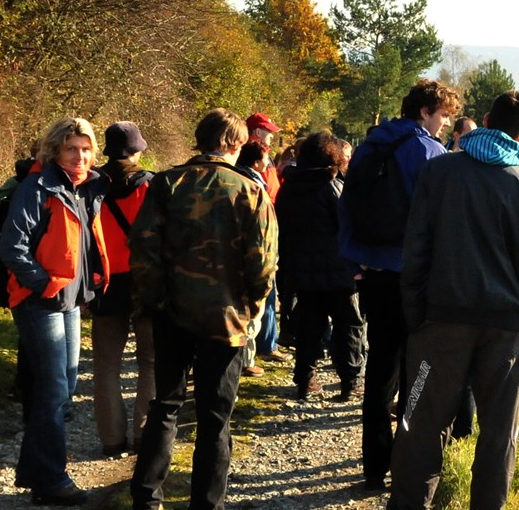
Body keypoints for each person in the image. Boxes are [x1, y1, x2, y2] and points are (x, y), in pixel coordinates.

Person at [390, 91, 519, 510]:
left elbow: (416, 250)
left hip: (439, 321)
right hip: (505, 331)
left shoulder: (439, 172)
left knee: (421, 426)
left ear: (484, 120)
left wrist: (413, 314)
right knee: (499, 434)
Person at [129, 109, 278, 510]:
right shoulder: (250, 191)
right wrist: (254, 307)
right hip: (226, 317)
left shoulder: (166, 183)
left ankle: (146, 497)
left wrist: (155, 300)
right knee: (215, 417)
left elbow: (142, 248)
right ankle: (208, 504)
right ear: (236, 143)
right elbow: (263, 262)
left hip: (171, 312)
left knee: (166, 406)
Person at [339, 78, 461, 490]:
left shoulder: (371, 145)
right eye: (443, 115)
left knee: (379, 371)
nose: (446, 123)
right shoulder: (429, 152)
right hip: (414, 277)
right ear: (425, 111)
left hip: (373, 272)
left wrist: (352, 258)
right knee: (417, 375)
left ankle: (374, 468)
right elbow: (441, 220)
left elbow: (348, 204)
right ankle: (407, 466)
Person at [0, 117, 110, 506]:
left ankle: (38, 472)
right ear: (55, 151)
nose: (80, 156)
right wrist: (43, 283)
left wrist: (89, 285)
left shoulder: (86, 187)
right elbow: (12, 246)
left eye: (86, 149)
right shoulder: (38, 187)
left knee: (65, 383)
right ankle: (50, 480)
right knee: (53, 389)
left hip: (69, 301)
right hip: (39, 301)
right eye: (71, 149)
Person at [277, 131, 363, 401]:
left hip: (302, 269)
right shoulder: (331, 185)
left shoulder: (289, 187)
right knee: (348, 326)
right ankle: (350, 381)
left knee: (309, 326)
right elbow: (346, 225)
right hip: (338, 270)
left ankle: (305, 379)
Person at [90, 121, 155, 458]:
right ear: (137, 150)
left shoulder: (91, 185)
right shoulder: (151, 186)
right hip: (145, 281)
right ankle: (145, 436)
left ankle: (112, 440)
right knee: (150, 362)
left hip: (105, 282)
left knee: (106, 365)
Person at [239, 112, 281, 376]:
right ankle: (252, 352)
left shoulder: (264, 158)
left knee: (269, 295)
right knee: (260, 293)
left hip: (269, 227)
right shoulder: (249, 159)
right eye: (268, 132)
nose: (272, 136)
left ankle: (267, 343)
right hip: (259, 235)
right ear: (256, 132)